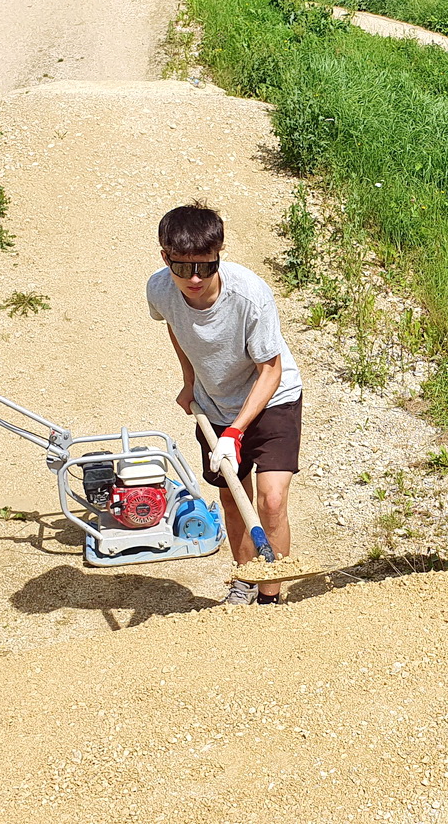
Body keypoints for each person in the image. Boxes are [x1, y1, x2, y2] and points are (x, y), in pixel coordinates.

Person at [147, 202, 304, 605]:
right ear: (165, 257)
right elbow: (175, 328)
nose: (194, 279)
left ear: (219, 254)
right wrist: (190, 382)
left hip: (272, 397)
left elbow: (270, 368)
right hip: (214, 404)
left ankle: (270, 594)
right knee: (234, 499)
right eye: (183, 268)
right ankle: (244, 581)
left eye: (206, 266)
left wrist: (236, 432)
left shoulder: (249, 295)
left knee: (270, 500)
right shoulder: (160, 288)